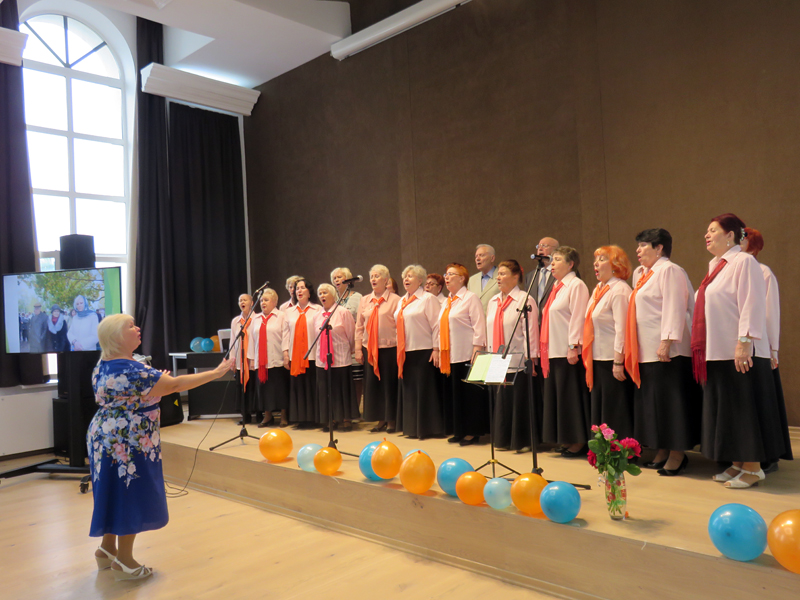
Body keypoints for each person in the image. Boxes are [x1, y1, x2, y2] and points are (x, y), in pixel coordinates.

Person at [87, 314, 230, 580]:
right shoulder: (131, 368)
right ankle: (124, 561)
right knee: (130, 493)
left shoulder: (105, 363)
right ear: (117, 337)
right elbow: (173, 385)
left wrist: (155, 382)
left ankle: (106, 549)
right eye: (130, 326)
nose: (137, 328)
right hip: (128, 440)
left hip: (105, 435)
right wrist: (216, 373)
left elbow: (147, 388)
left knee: (112, 490)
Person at [697, 215, 792, 488]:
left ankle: (753, 468)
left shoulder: (744, 262)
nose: (706, 235)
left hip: (740, 352)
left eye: (712, 230)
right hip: (719, 351)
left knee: (743, 410)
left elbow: (752, 303)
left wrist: (744, 342)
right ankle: (738, 462)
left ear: (730, 235)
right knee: (728, 411)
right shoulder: (716, 266)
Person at [625, 228, 701, 476]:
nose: (638, 250)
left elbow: (675, 306)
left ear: (659, 248)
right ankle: (663, 448)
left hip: (669, 351)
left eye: (643, 245)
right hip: (646, 349)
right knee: (655, 404)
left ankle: (678, 453)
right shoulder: (641, 274)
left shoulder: (670, 270)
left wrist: (666, 341)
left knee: (671, 404)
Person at [741, 228, 791, 474]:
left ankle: (769, 455)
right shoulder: (724, 270)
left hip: (759, 349)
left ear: (753, 246)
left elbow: (771, 313)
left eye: (742, 238)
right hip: (735, 351)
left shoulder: (763, 272)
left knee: (763, 404)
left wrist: (774, 349)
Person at [540, 247, 591, 456]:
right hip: (554, 351)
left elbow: (578, 317)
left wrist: (573, 346)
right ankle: (567, 438)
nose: (552, 263)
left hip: (568, 351)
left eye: (558, 259)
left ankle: (579, 440)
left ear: (570, 264)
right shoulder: (556, 287)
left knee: (571, 397)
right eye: (552, 260)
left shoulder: (576, 285)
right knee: (560, 398)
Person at [486, 260, 539, 452]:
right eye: (498, 274)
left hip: (517, 359)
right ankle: (503, 439)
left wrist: (530, 357)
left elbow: (530, 331)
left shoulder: (525, 300)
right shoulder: (493, 301)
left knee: (518, 400)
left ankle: (521, 441)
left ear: (516, 277)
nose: (498, 278)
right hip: (496, 359)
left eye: (503, 274)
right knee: (502, 401)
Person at [582, 246, 635, 440]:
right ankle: (603, 450)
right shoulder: (598, 290)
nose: (596, 264)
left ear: (615, 265)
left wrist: (618, 361)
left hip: (612, 360)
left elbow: (623, 329)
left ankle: (619, 450)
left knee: (615, 411)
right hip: (598, 358)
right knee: (602, 412)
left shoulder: (619, 290)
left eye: (602, 259)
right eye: (596, 259)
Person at [440, 263, 488, 445]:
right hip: (451, 356)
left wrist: (477, 350)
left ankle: (472, 432)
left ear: (462, 279)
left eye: (451, 274)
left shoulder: (470, 298)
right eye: (446, 274)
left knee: (470, 396)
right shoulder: (447, 301)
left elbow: (479, 325)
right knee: (456, 395)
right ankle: (459, 430)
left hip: (467, 354)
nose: (447, 277)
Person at [395, 265, 441, 439]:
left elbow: (437, 326)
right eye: (405, 276)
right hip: (405, 351)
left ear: (420, 280)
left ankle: (427, 429)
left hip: (424, 350)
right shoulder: (401, 301)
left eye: (410, 276)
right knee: (410, 392)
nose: (406, 279)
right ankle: (412, 428)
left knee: (424, 391)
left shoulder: (428, 299)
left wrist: (436, 348)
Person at [355, 265, 400, 433]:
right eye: (372, 276)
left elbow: (400, 326)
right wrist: (358, 348)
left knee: (389, 385)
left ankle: (391, 420)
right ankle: (380, 419)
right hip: (369, 348)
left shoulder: (395, 300)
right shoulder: (365, 300)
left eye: (377, 276)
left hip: (389, 348)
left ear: (386, 280)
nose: (373, 279)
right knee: (374, 386)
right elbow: (359, 326)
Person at [314, 283, 358, 431]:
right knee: (327, 390)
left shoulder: (343, 312)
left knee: (342, 389)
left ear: (333, 295)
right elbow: (315, 337)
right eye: (320, 293)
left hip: (340, 358)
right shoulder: (317, 315)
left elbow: (351, 334)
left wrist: (350, 349)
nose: (322, 296)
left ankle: (346, 418)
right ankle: (331, 418)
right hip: (322, 360)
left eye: (325, 292)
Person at [282, 278, 322, 429]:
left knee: (312, 387)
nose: (299, 290)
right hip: (295, 356)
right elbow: (285, 334)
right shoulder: (289, 312)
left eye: (302, 288)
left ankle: (314, 418)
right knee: (298, 388)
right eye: (297, 288)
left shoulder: (317, 309)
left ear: (309, 292)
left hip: (313, 355)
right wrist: (285, 354)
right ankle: (300, 418)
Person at [253, 289, 289, 428]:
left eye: (266, 300)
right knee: (264, 389)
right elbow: (252, 340)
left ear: (274, 302)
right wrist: (252, 359)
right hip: (261, 361)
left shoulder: (281, 316)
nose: (263, 303)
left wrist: (286, 354)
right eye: (261, 300)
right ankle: (267, 416)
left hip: (277, 358)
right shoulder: (256, 319)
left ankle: (284, 416)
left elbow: (285, 336)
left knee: (280, 388)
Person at [331, 267, 364, 414]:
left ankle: (355, 411)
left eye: (339, 277)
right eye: (334, 278)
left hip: (353, 343)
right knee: (343, 379)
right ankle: (343, 412)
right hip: (338, 347)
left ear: (348, 279)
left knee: (356, 378)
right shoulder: (333, 299)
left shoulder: (358, 297)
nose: (336, 280)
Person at [230, 293, 259, 425]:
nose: (242, 302)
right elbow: (232, 341)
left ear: (251, 303)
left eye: (245, 300)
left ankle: (258, 413)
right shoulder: (235, 321)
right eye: (240, 300)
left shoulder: (257, 319)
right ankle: (245, 414)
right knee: (241, 387)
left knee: (254, 386)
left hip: (253, 359)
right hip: (240, 360)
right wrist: (232, 359)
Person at [525, 237, 559, 328]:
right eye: (538, 246)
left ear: (555, 251)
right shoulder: (530, 276)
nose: (540, 248)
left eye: (545, 246)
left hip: (554, 324)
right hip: (535, 326)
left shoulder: (561, 274)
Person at [467, 244, 499, 314]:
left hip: (495, 319)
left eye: (481, 255)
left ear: (492, 258)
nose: (477, 259)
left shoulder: (501, 276)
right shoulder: (471, 280)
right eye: (476, 256)